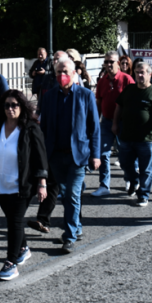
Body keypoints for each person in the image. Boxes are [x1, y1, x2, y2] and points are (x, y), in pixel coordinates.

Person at [0, 90, 47, 281]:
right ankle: (23, 248)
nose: (10, 109)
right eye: (7, 105)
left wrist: (42, 183)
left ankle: (11, 262)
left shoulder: (30, 128)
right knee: (12, 219)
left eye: (14, 105)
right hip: (1, 184)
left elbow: (40, 157)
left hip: (22, 185)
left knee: (14, 222)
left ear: (22, 106)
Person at [37, 57, 99, 253]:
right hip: (56, 156)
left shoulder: (85, 95)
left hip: (77, 156)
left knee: (71, 194)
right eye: (58, 72)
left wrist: (96, 154)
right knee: (67, 195)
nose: (62, 75)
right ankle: (76, 227)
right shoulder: (49, 96)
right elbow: (44, 127)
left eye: (65, 72)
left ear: (74, 73)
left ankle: (69, 236)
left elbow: (94, 128)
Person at [112, 60, 152, 207]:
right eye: (137, 72)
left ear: (149, 74)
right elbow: (119, 106)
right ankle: (133, 180)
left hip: (147, 138)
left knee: (146, 170)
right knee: (124, 164)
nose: (139, 75)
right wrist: (115, 123)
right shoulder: (129, 90)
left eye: (142, 72)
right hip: (127, 136)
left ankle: (143, 195)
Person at [94, 51, 133, 196]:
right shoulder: (102, 81)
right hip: (106, 122)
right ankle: (104, 185)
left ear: (118, 63)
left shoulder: (127, 79)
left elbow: (134, 101)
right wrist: (95, 123)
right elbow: (98, 102)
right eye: (106, 62)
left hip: (124, 123)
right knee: (103, 153)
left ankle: (130, 179)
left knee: (125, 154)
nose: (108, 64)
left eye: (111, 62)